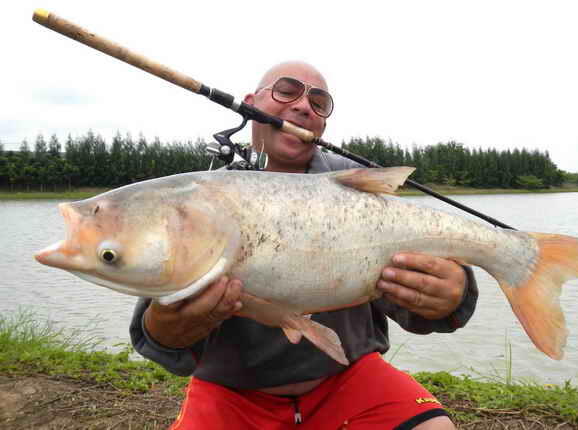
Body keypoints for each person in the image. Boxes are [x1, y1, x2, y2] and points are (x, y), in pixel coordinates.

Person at [130, 61, 479, 430]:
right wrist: (166, 328)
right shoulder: (202, 198)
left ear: (323, 122)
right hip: (230, 391)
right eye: (286, 90)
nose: (302, 106)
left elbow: (418, 309)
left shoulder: (355, 191)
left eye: (318, 101)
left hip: (350, 378)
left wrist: (451, 297)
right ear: (251, 102)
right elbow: (160, 341)